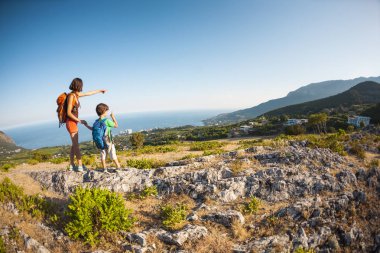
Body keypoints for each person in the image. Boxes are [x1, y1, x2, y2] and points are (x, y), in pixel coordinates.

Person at [66, 78, 106, 172]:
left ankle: (72, 165)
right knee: (76, 146)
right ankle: (80, 166)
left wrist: (99, 91)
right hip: (71, 123)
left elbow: (88, 93)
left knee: (73, 145)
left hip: (73, 122)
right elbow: (68, 113)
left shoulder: (76, 95)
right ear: (78, 85)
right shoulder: (71, 96)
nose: (82, 87)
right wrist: (79, 120)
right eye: (81, 85)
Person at [84, 103, 121, 169]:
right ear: (104, 111)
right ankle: (118, 166)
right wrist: (112, 117)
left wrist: (86, 125)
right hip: (108, 140)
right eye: (106, 110)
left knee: (103, 154)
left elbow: (92, 129)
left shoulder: (96, 121)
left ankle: (104, 168)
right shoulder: (107, 121)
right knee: (112, 153)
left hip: (100, 141)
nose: (107, 112)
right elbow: (116, 125)